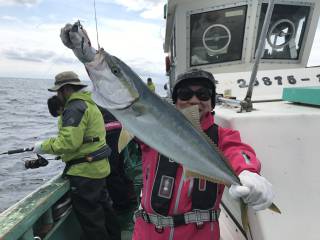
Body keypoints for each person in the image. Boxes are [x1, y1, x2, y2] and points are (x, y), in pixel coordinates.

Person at [132, 69, 274, 240]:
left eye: (203, 94)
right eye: (185, 94)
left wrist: (247, 172)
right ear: (175, 101)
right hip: (148, 234)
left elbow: (239, 151)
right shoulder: (154, 129)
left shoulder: (221, 137)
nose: (194, 100)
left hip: (199, 234)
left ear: (212, 102)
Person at [33, 71, 121, 240]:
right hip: (99, 168)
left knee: (92, 221)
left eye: (58, 92)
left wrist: (42, 146)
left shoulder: (74, 108)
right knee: (106, 211)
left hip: (84, 174)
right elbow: (85, 139)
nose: (57, 96)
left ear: (65, 89)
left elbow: (68, 143)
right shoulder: (90, 103)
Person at [99, 107, 137, 212]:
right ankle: (131, 198)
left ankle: (122, 204)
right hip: (119, 127)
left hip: (109, 131)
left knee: (112, 170)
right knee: (119, 167)